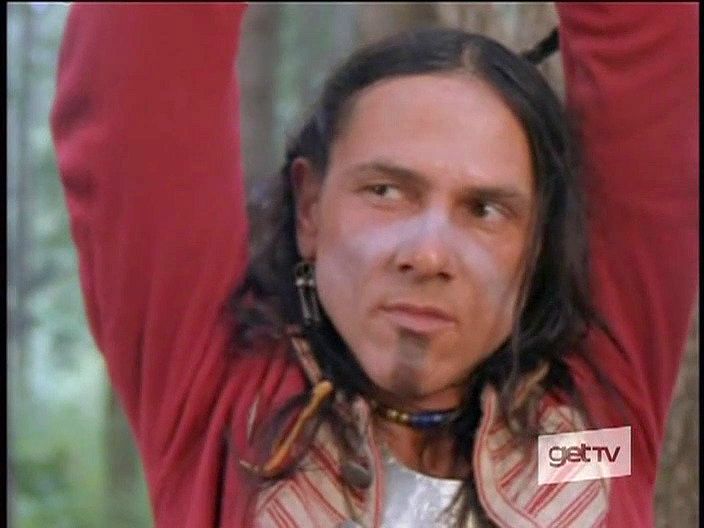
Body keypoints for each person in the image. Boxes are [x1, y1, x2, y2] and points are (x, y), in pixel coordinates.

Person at [50, 3, 697, 527]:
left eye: (485, 210)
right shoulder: (225, 414)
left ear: (539, 244)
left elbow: (650, 49)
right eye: (386, 191)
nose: (428, 254)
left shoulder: (592, 432)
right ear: (310, 208)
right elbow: (142, 59)